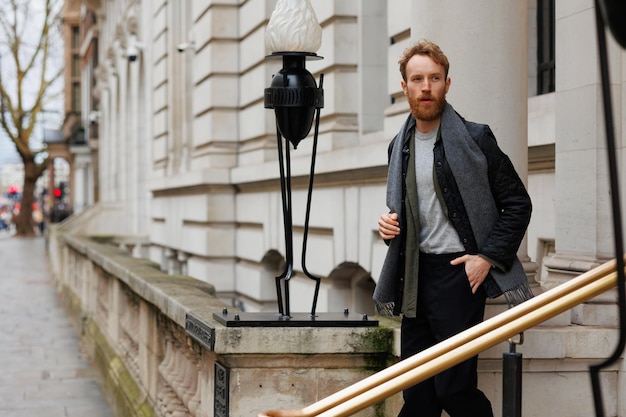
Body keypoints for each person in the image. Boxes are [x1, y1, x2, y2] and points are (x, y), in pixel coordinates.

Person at [373, 39, 533, 417]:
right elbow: (410, 210)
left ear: (447, 83)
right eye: (417, 79)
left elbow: (518, 204)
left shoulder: (477, 139)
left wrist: (487, 258)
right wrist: (388, 227)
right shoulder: (400, 146)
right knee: (418, 394)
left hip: (458, 277)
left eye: (434, 78)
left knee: (453, 390)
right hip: (413, 277)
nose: (426, 87)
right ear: (405, 87)